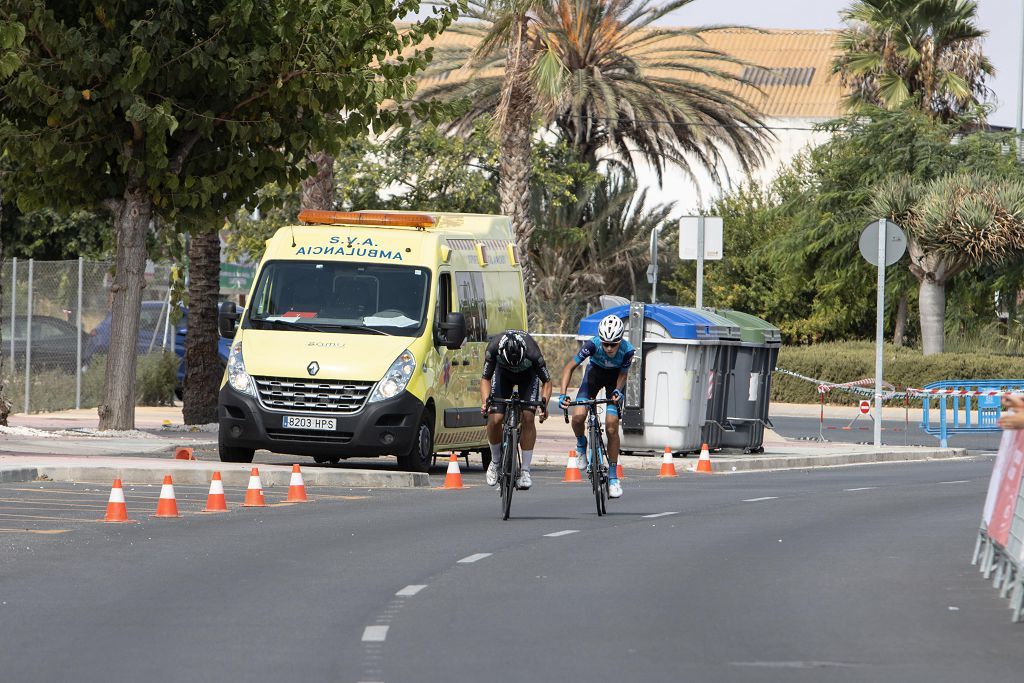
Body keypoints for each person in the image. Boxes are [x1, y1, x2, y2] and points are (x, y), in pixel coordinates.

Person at [558, 314, 634, 499]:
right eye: (605, 344)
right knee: (577, 417)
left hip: (613, 381)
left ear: (620, 340)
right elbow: (569, 368)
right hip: (594, 376)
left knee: (611, 426)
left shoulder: (628, 350)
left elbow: (623, 375)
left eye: (613, 344)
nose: (608, 348)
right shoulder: (592, 345)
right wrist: (563, 394)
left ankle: (614, 477)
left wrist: (617, 391)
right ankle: (581, 444)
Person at [480, 330, 553, 490]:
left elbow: (547, 381)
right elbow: (485, 378)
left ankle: (525, 471)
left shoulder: (533, 351)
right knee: (495, 418)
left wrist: (544, 403)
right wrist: (486, 402)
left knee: (528, 417)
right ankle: (495, 461)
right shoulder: (492, 348)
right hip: (502, 375)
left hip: (528, 376)